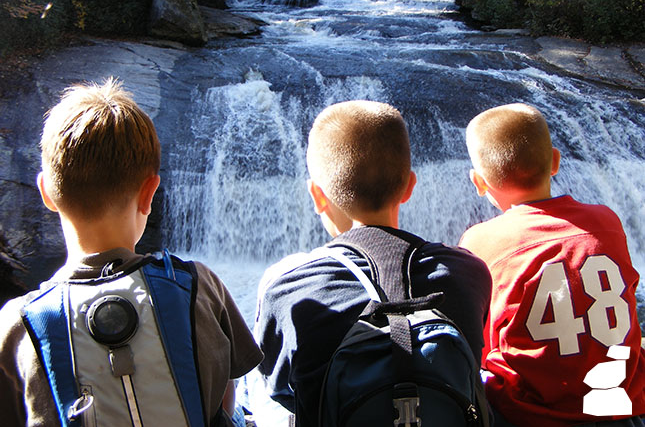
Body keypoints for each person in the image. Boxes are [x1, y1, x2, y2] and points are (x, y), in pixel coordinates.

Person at [0, 78, 263, 426]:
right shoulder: (198, 285)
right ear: (149, 192)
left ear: (46, 192)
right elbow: (226, 397)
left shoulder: (18, 323)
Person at [251, 100, 492, 427]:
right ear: (409, 186)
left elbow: (281, 391)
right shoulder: (469, 272)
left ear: (317, 195)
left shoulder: (286, 289)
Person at [459, 103, 645, 427]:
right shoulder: (607, 221)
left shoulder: (480, 241)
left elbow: (477, 335)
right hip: (618, 409)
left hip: (525, 415)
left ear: (479, 182)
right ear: (555, 162)